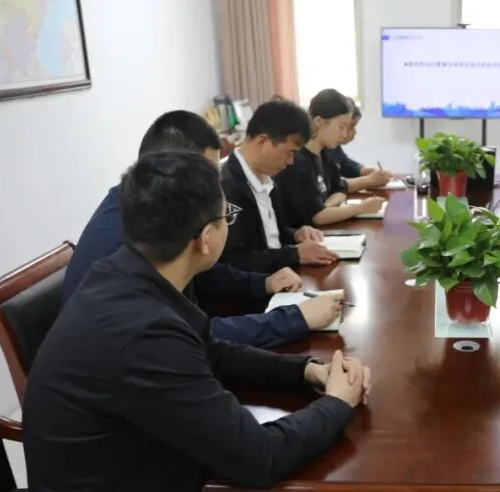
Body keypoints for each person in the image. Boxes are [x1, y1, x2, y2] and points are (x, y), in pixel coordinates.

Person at [26, 150, 371, 492]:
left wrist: (304, 372)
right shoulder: (141, 333)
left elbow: (212, 348)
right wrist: (338, 403)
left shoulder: (126, 275)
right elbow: (259, 458)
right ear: (207, 238)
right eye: (226, 216)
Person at [62, 110, 341, 348]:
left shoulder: (148, 206)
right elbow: (192, 338)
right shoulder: (128, 241)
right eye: (207, 177)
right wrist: (295, 319)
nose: (215, 190)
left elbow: (199, 269)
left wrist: (262, 284)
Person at [221, 97, 340, 273]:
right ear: (263, 141)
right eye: (290, 152)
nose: (291, 161)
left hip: (282, 275)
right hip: (260, 284)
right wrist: (294, 254)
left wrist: (295, 234)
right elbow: (233, 261)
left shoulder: (269, 177)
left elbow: (271, 236)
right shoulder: (226, 188)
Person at [272, 89, 386, 228]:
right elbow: (317, 217)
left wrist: (326, 207)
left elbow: (340, 189)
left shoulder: (324, 152)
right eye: (341, 127)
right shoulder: (298, 161)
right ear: (319, 122)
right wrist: (360, 208)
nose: (345, 135)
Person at [327, 100, 394, 191]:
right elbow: (328, 186)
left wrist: (369, 171)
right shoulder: (315, 152)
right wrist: (368, 181)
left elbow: (343, 163)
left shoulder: (332, 146)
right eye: (351, 126)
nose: (354, 133)